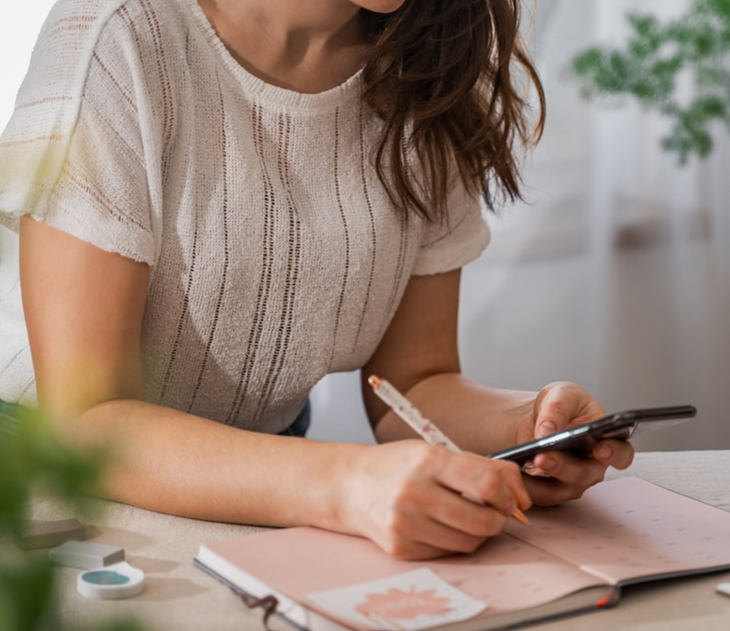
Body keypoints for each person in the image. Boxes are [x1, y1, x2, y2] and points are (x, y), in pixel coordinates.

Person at [0, 0, 633, 560]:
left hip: (257, 494)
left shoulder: (429, 67)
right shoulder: (118, 38)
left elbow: (413, 384)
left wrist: (526, 430)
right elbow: (87, 420)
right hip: (44, 496)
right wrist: (346, 484)